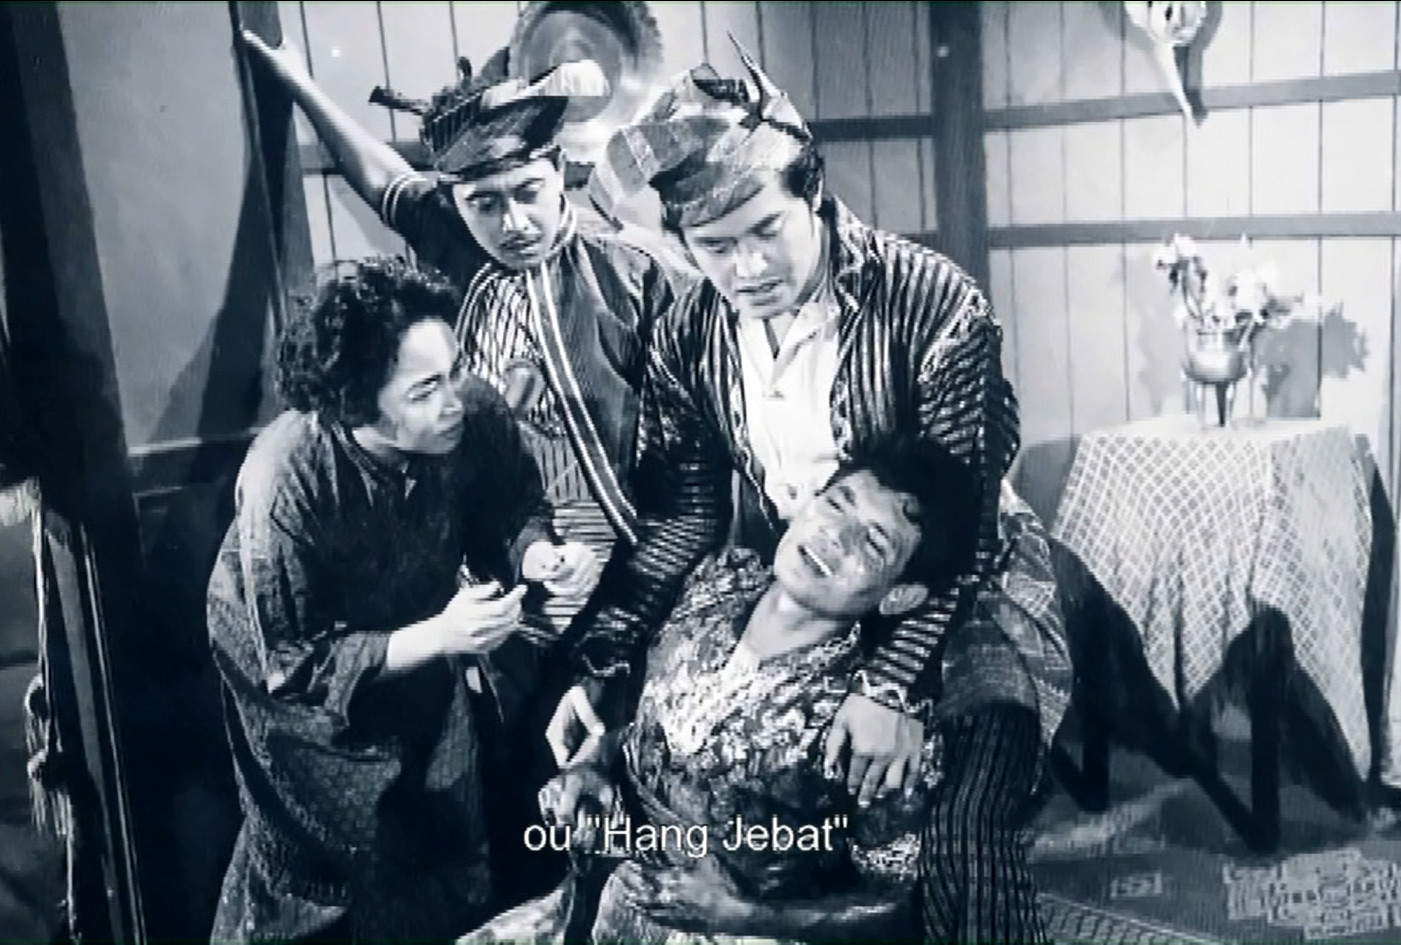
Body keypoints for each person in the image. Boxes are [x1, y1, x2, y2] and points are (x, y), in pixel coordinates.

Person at [547, 45, 1072, 943]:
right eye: (716, 247)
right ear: (680, 242)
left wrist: (892, 684)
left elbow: (973, 529)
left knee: (961, 829)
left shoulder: (930, 303)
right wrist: (601, 662)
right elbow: (686, 515)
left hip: (951, 584)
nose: (748, 267)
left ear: (814, 195)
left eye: (766, 230)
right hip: (805, 568)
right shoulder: (687, 332)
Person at [239, 31, 687, 900]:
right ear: (456, 202)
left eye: (529, 193)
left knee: (631, 799)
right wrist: (291, 77)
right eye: (484, 203)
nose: (512, 222)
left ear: (561, 174)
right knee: (523, 804)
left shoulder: (640, 277)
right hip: (508, 593)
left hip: (639, 576)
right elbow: (379, 174)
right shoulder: (456, 258)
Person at [462, 439, 1049, 944]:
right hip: (607, 902)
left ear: (900, 596)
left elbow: (904, 910)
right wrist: (594, 763)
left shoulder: (871, 731)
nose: (834, 538)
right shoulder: (717, 578)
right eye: (836, 504)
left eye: (872, 544)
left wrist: (742, 913)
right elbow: (666, 729)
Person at [205, 257, 601, 943]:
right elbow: (293, 664)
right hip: (289, 667)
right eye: (424, 390)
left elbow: (512, 508)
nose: (455, 400)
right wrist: (438, 636)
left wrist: (538, 554)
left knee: (443, 820)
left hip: (425, 624)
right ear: (358, 403)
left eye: (455, 369)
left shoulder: (470, 413)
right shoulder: (285, 477)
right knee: (333, 856)